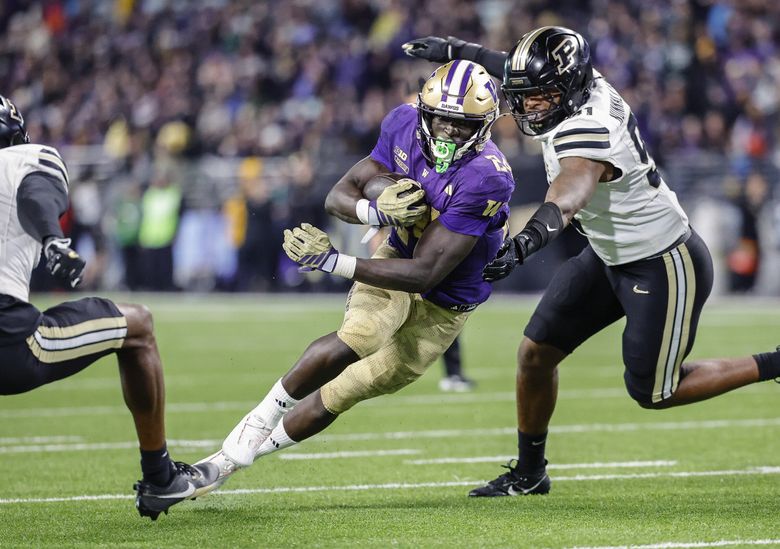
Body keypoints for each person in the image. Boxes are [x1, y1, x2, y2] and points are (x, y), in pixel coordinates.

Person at [404, 27, 780, 497]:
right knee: (535, 355)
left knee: (655, 392)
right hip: (607, 254)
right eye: (527, 97)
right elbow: (514, 67)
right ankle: (530, 472)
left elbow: (566, 197)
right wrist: (453, 50)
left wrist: (525, 243)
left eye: (542, 98)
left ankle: (774, 362)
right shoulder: (579, 82)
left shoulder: (590, 124)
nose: (530, 107)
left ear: (569, 88)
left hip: (662, 262)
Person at [197, 60, 514, 488]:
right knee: (362, 334)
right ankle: (258, 420)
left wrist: (332, 262)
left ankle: (225, 464)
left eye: (463, 125)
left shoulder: (486, 177)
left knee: (345, 391)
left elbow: (424, 274)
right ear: (424, 112)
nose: (448, 132)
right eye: (442, 119)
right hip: (394, 254)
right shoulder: (402, 124)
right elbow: (338, 195)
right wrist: (376, 209)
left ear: (485, 126)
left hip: (445, 303)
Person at [0, 95, 219, 519]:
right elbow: (35, 191)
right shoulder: (25, 158)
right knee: (139, 326)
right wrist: (52, 238)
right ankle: (160, 478)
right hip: (9, 338)